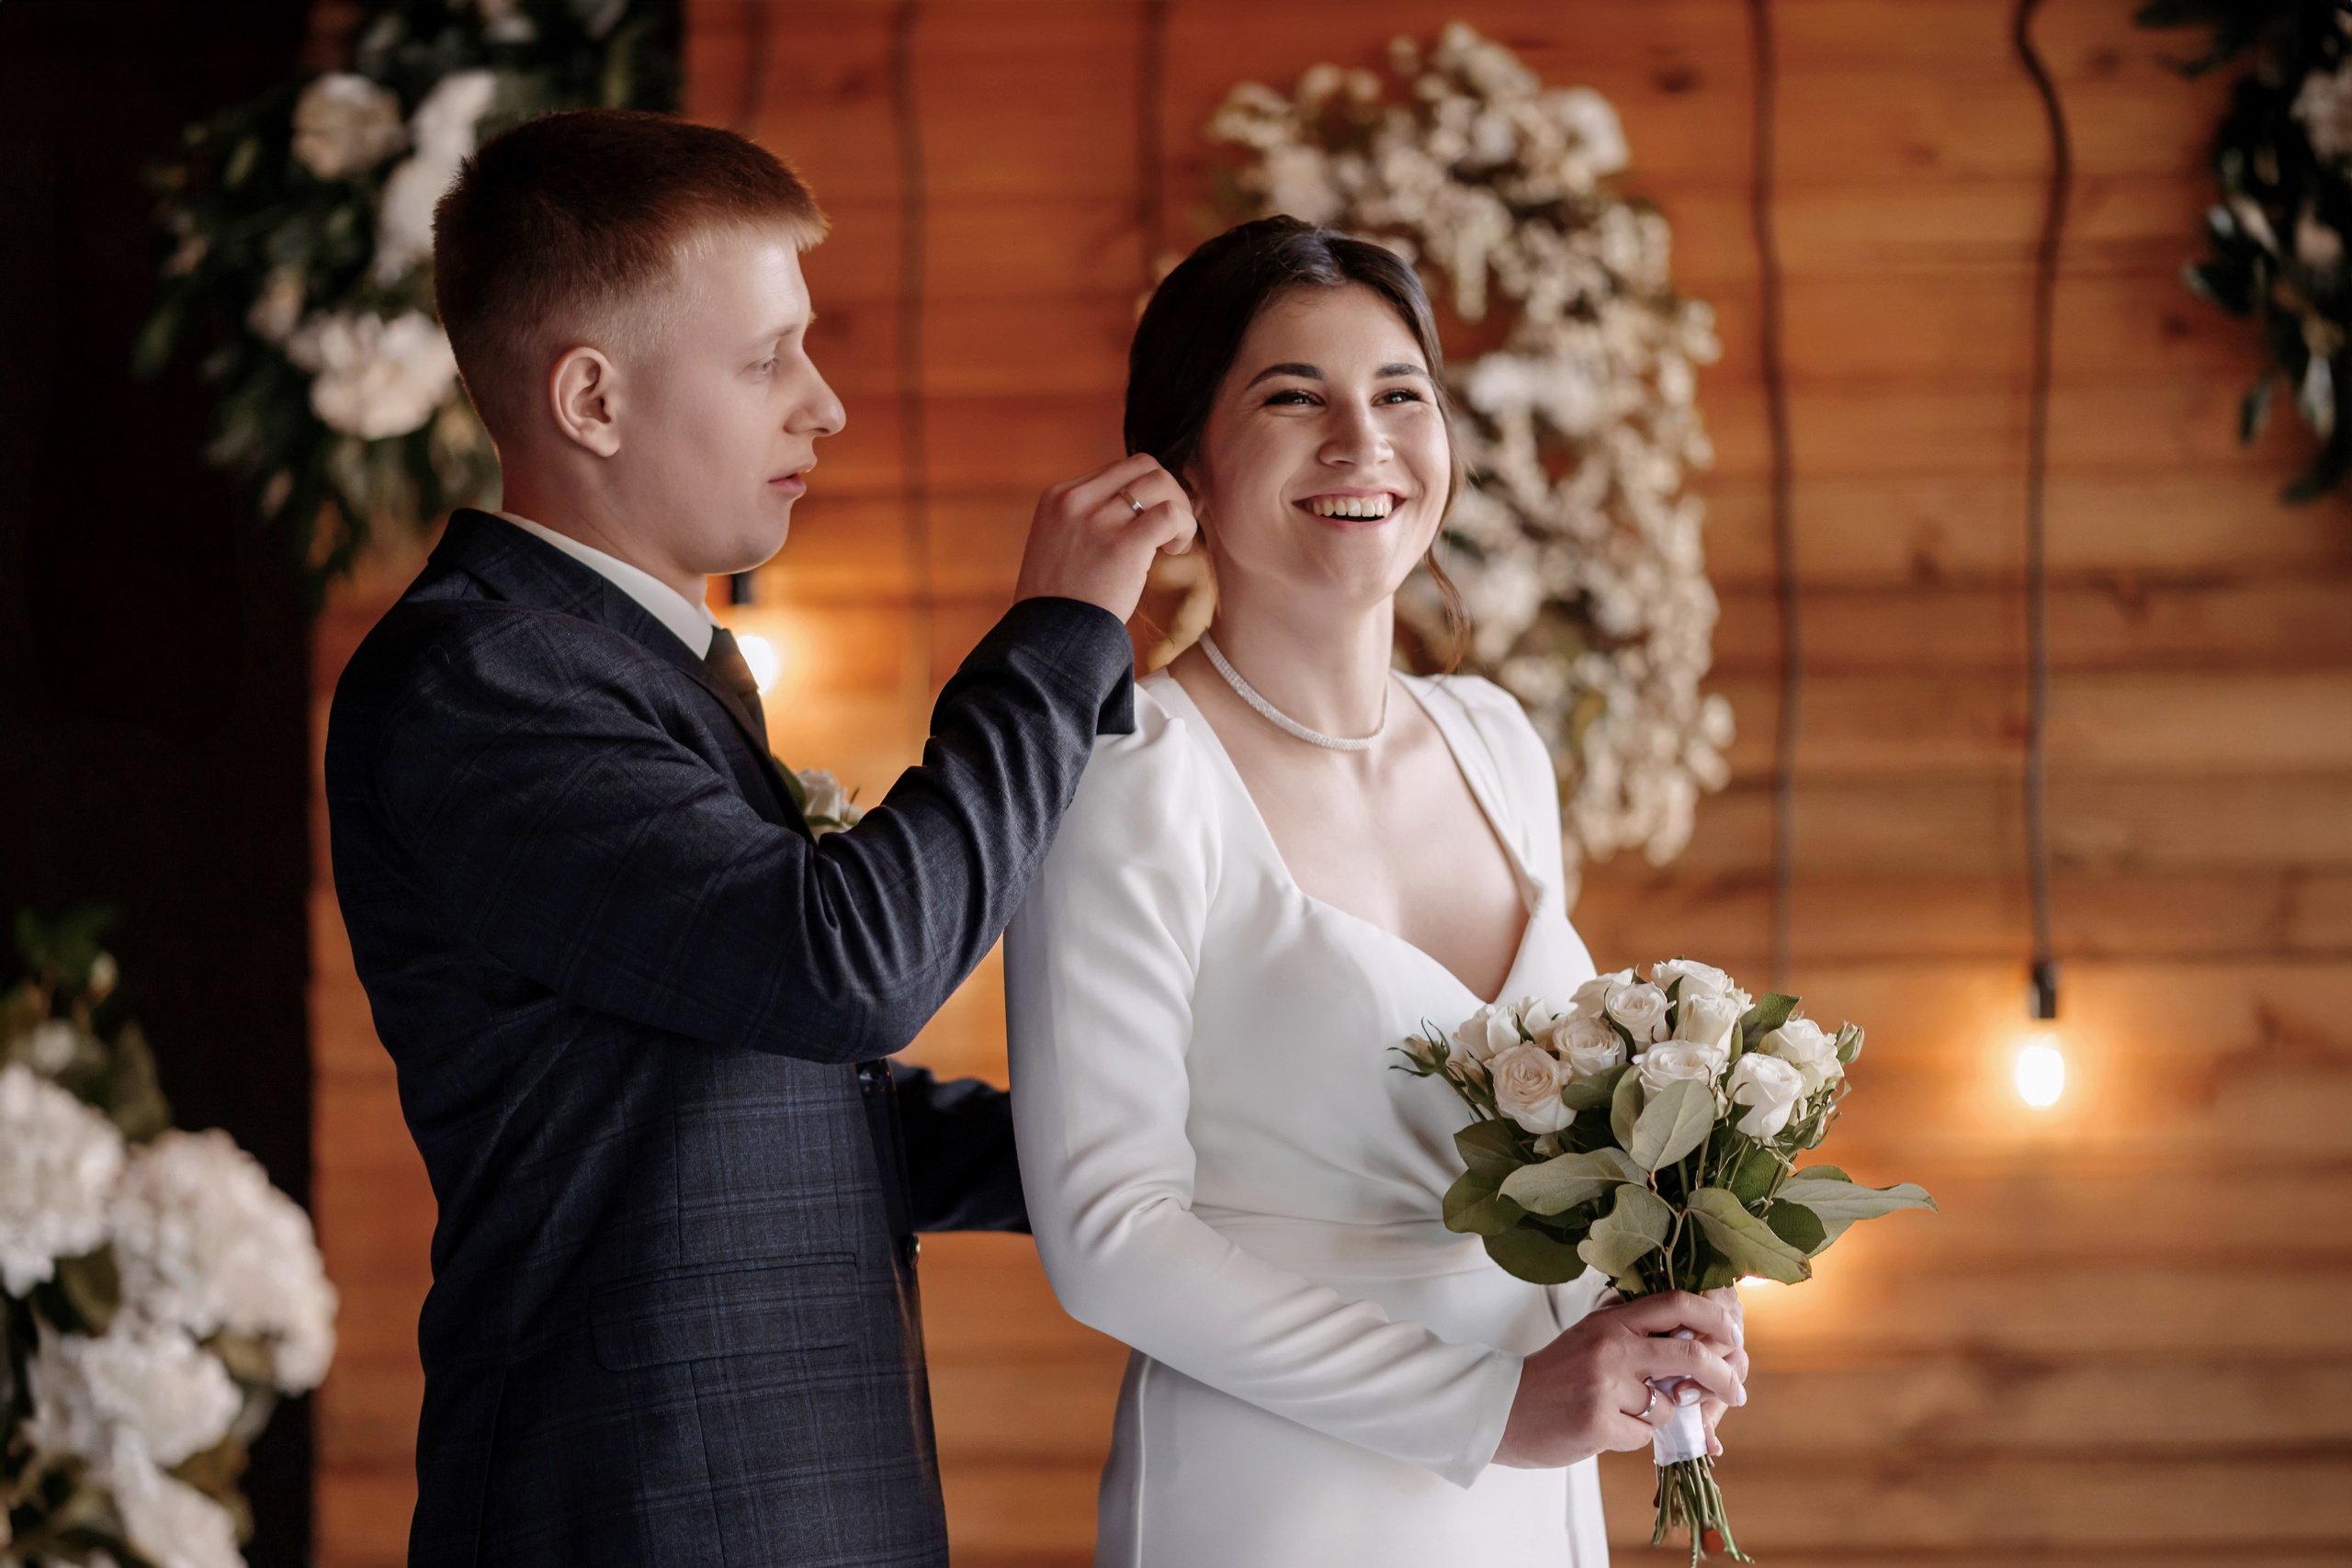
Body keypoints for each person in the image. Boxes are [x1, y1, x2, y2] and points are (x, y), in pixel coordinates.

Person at [324, 110, 1193, 1567]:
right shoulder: (481, 680)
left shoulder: (636, 667)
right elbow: (851, 966)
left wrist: (1168, 1145)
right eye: (766, 358)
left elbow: (772, 1105)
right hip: (642, 1515)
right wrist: (1056, 635)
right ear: (592, 398)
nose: (824, 405)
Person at [1004, 217, 1748, 1565]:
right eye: (1294, 399)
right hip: (1278, 1497)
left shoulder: (1495, 740)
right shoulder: (1130, 772)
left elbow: (1556, 1147)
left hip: (1535, 1483)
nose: (1364, 443)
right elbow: (1109, 1234)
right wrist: (1488, 1407)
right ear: (1182, 467)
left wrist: (1659, 1281)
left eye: (1401, 395)